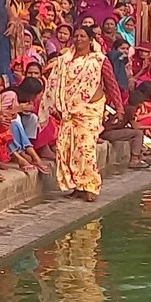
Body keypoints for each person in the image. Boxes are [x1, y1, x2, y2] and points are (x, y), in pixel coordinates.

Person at [49, 27, 110, 201]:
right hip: (69, 112)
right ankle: (77, 186)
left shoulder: (98, 60)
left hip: (90, 111)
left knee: (86, 149)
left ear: (90, 39)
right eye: (76, 36)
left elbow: (111, 82)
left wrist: (119, 108)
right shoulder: (64, 60)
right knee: (68, 149)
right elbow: (56, 84)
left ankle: (91, 186)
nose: (78, 39)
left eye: (82, 36)